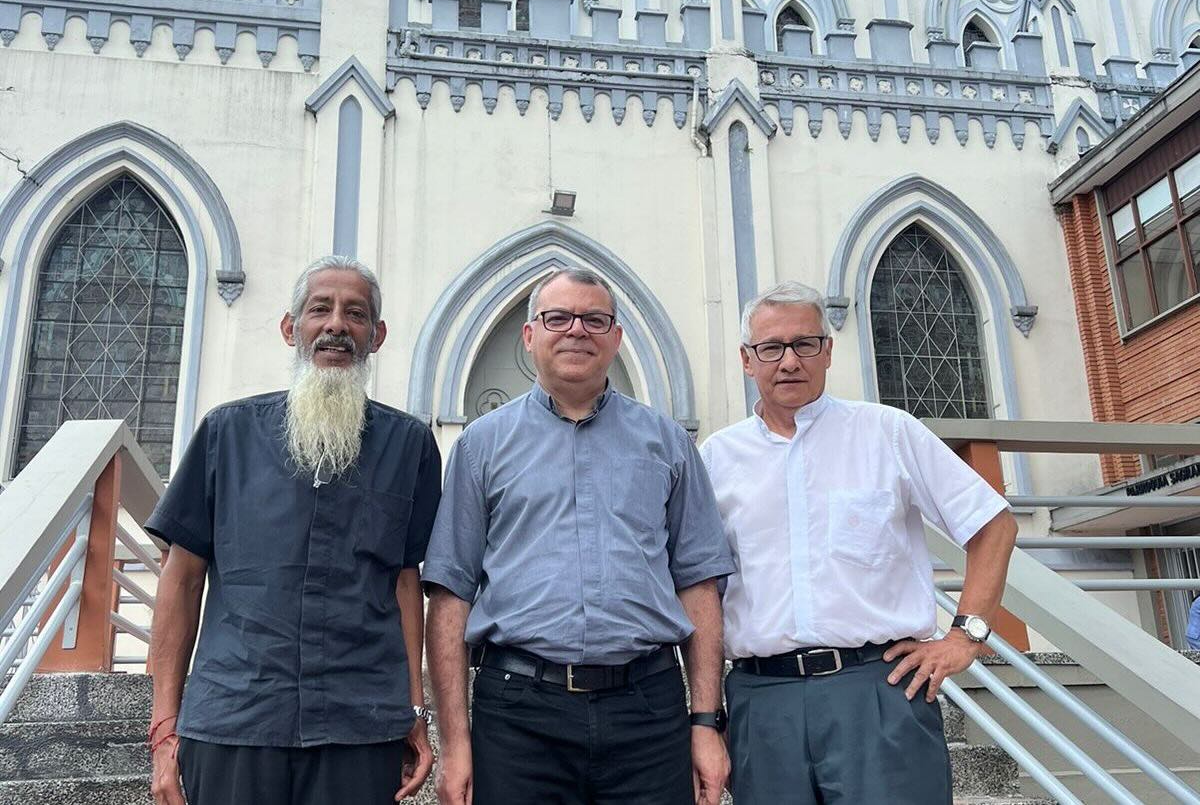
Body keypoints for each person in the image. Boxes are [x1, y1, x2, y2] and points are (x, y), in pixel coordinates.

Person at [423, 267, 735, 805]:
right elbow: (451, 595)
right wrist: (455, 743)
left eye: (594, 319)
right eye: (558, 318)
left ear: (616, 337)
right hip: (519, 716)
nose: (576, 330)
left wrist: (705, 722)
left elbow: (699, 585)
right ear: (530, 335)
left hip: (647, 712)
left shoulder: (668, 443)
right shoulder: (480, 446)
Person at [700, 281, 1018, 805]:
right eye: (771, 348)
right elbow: (702, 589)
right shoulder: (716, 459)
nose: (789, 361)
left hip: (877, 690)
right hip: (762, 700)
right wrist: (709, 717)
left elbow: (993, 524)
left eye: (805, 344)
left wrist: (967, 635)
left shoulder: (886, 433)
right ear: (746, 359)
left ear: (828, 351)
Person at [144, 255, 442, 805]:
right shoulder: (226, 435)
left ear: (377, 336)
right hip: (236, 717)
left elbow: (406, 584)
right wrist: (164, 730)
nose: (337, 325)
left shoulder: (410, 446)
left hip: (361, 725)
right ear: (290, 328)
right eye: (319, 309)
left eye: (356, 314)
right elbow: (181, 580)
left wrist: (414, 709)